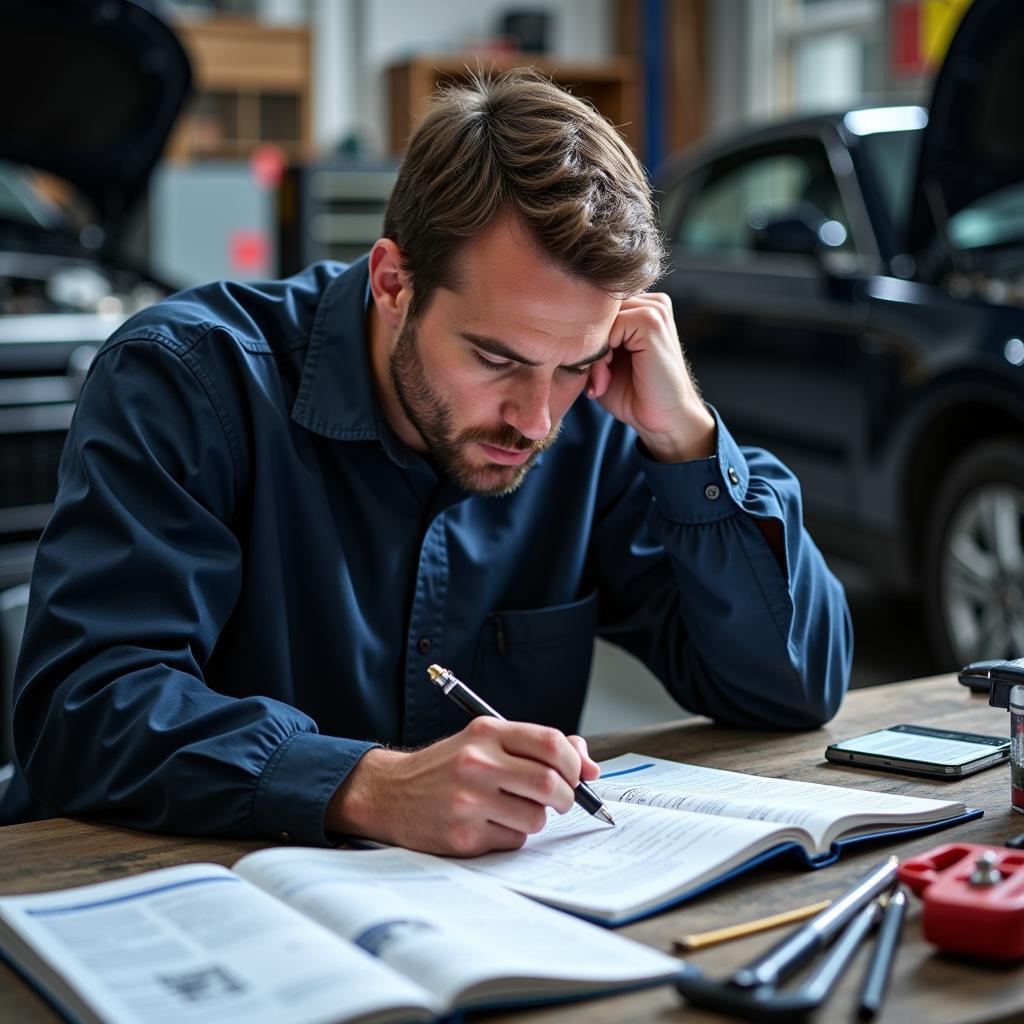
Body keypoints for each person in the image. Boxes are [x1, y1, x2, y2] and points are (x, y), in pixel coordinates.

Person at [0, 70, 852, 854]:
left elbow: (790, 690)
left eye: (572, 363)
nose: (536, 418)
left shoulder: (595, 417)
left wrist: (690, 442)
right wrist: (366, 786)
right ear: (393, 282)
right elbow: (86, 708)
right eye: (496, 358)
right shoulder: (190, 380)